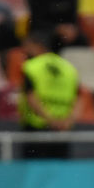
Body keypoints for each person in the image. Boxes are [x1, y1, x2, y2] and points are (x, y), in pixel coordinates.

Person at [18, 30, 79, 159]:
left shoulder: (31, 66)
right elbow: (79, 98)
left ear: (38, 46)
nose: (24, 50)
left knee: (34, 174)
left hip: (37, 128)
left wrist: (50, 119)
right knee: (59, 173)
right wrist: (68, 120)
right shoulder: (68, 67)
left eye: (28, 46)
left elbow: (31, 97)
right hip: (63, 129)